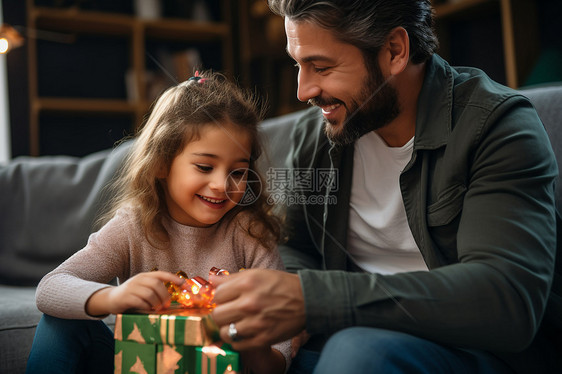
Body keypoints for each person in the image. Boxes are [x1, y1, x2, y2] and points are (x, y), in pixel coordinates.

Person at [210, 1, 562, 373]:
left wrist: (314, 301)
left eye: (322, 67)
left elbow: (505, 300)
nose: (303, 90)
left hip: (478, 353)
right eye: (298, 64)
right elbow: (298, 248)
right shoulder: (314, 138)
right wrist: (286, 313)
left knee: (358, 353)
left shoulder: (496, 127)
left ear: (395, 51)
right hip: (349, 338)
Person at [25, 71, 291, 374]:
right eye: (205, 167)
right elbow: (49, 288)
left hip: (218, 366)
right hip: (140, 365)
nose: (221, 184)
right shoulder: (134, 227)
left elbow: (280, 355)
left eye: (238, 172)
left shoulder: (249, 234)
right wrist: (112, 297)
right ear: (162, 164)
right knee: (60, 322)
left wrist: (250, 342)